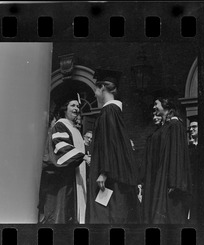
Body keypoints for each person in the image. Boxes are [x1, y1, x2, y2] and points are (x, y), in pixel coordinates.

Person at [87, 69, 139, 224]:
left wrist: (104, 171)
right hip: (116, 175)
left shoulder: (108, 112)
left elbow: (110, 144)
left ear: (102, 87)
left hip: (108, 178)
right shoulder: (116, 112)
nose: (95, 94)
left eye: (96, 89)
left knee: (105, 217)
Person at [38, 92, 91, 224]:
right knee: (61, 214)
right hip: (62, 180)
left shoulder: (75, 129)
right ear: (65, 108)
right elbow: (62, 148)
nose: (76, 109)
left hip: (73, 178)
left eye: (78, 106)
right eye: (72, 105)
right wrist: (83, 156)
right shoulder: (60, 126)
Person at [142, 97, 192, 224]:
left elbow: (177, 153)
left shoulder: (175, 125)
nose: (154, 107)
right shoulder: (165, 127)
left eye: (156, 104)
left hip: (168, 182)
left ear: (166, 106)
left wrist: (174, 182)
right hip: (159, 178)